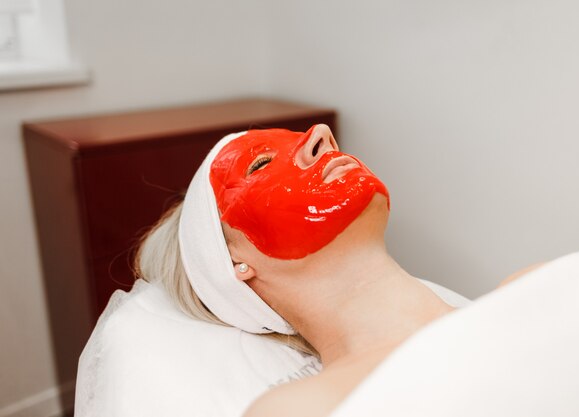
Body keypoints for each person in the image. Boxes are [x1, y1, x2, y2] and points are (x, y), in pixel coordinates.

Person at [133, 124, 547, 416]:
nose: (321, 135)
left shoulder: (537, 288)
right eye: (259, 165)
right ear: (234, 263)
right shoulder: (303, 409)